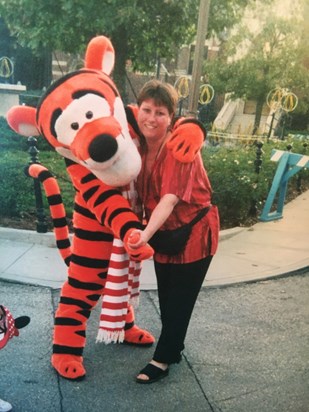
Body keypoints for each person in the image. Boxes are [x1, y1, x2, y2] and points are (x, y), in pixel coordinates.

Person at [127, 79, 220, 384]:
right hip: (165, 233)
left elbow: (170, 198)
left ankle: (163, 359)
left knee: (179, 299)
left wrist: (143, 233)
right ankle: (174, 346)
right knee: (167, 296)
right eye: (147, 109)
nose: (151, 118)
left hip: (194, 232)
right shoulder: (140, 144)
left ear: (171, 118)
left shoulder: (180, 145)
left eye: (161, 112)